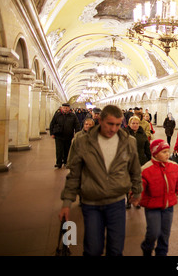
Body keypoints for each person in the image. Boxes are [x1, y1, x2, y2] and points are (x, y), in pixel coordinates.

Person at [59, 105, 142, 256]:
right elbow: (74, 174)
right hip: (91, 203)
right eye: (110, 124)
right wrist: (67, 202)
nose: (114, 129)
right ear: (101, 120)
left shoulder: (128, 141)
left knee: (116, 249)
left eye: (118, 124)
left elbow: (135, 169)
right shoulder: (83, 141)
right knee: (92, 249)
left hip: (117, 202)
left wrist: (137, 192)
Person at [139, 139, 178, 256]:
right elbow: (139, 187)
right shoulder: (146, 169)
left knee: (165, 233)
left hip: (168, 206)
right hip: (152, 207)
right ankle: (147, 248)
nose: (167, 154)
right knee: (153, 232)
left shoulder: (173, 166)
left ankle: (162, 253)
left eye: (168, 151)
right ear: (155, 153)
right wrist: (136, 196)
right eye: (163, 152)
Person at [125, 116, 151, 209]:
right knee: (128, 182)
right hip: (127, 161)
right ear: (129, 124)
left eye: (137, 123)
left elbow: (147, 147)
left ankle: (137, 199)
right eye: (133, 123)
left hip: (140, 161)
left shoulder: (142, 133)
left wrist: (150, 159)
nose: (135, 125)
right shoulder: (124, 133)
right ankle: (128, 199)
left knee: (138, 182)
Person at [50, 103, 81, 169]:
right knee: (59, 150)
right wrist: (52, 133)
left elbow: (77, 125)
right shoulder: (57, 115)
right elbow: (52, 124)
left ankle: (66, 162)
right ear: (61, 108)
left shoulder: (73, 116)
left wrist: (77, 133)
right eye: (64, 107)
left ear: (69, 108)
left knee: (67, 149)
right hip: (59, 135)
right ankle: (58, 163)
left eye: (67, 107)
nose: (65, 109)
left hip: (68, 135)